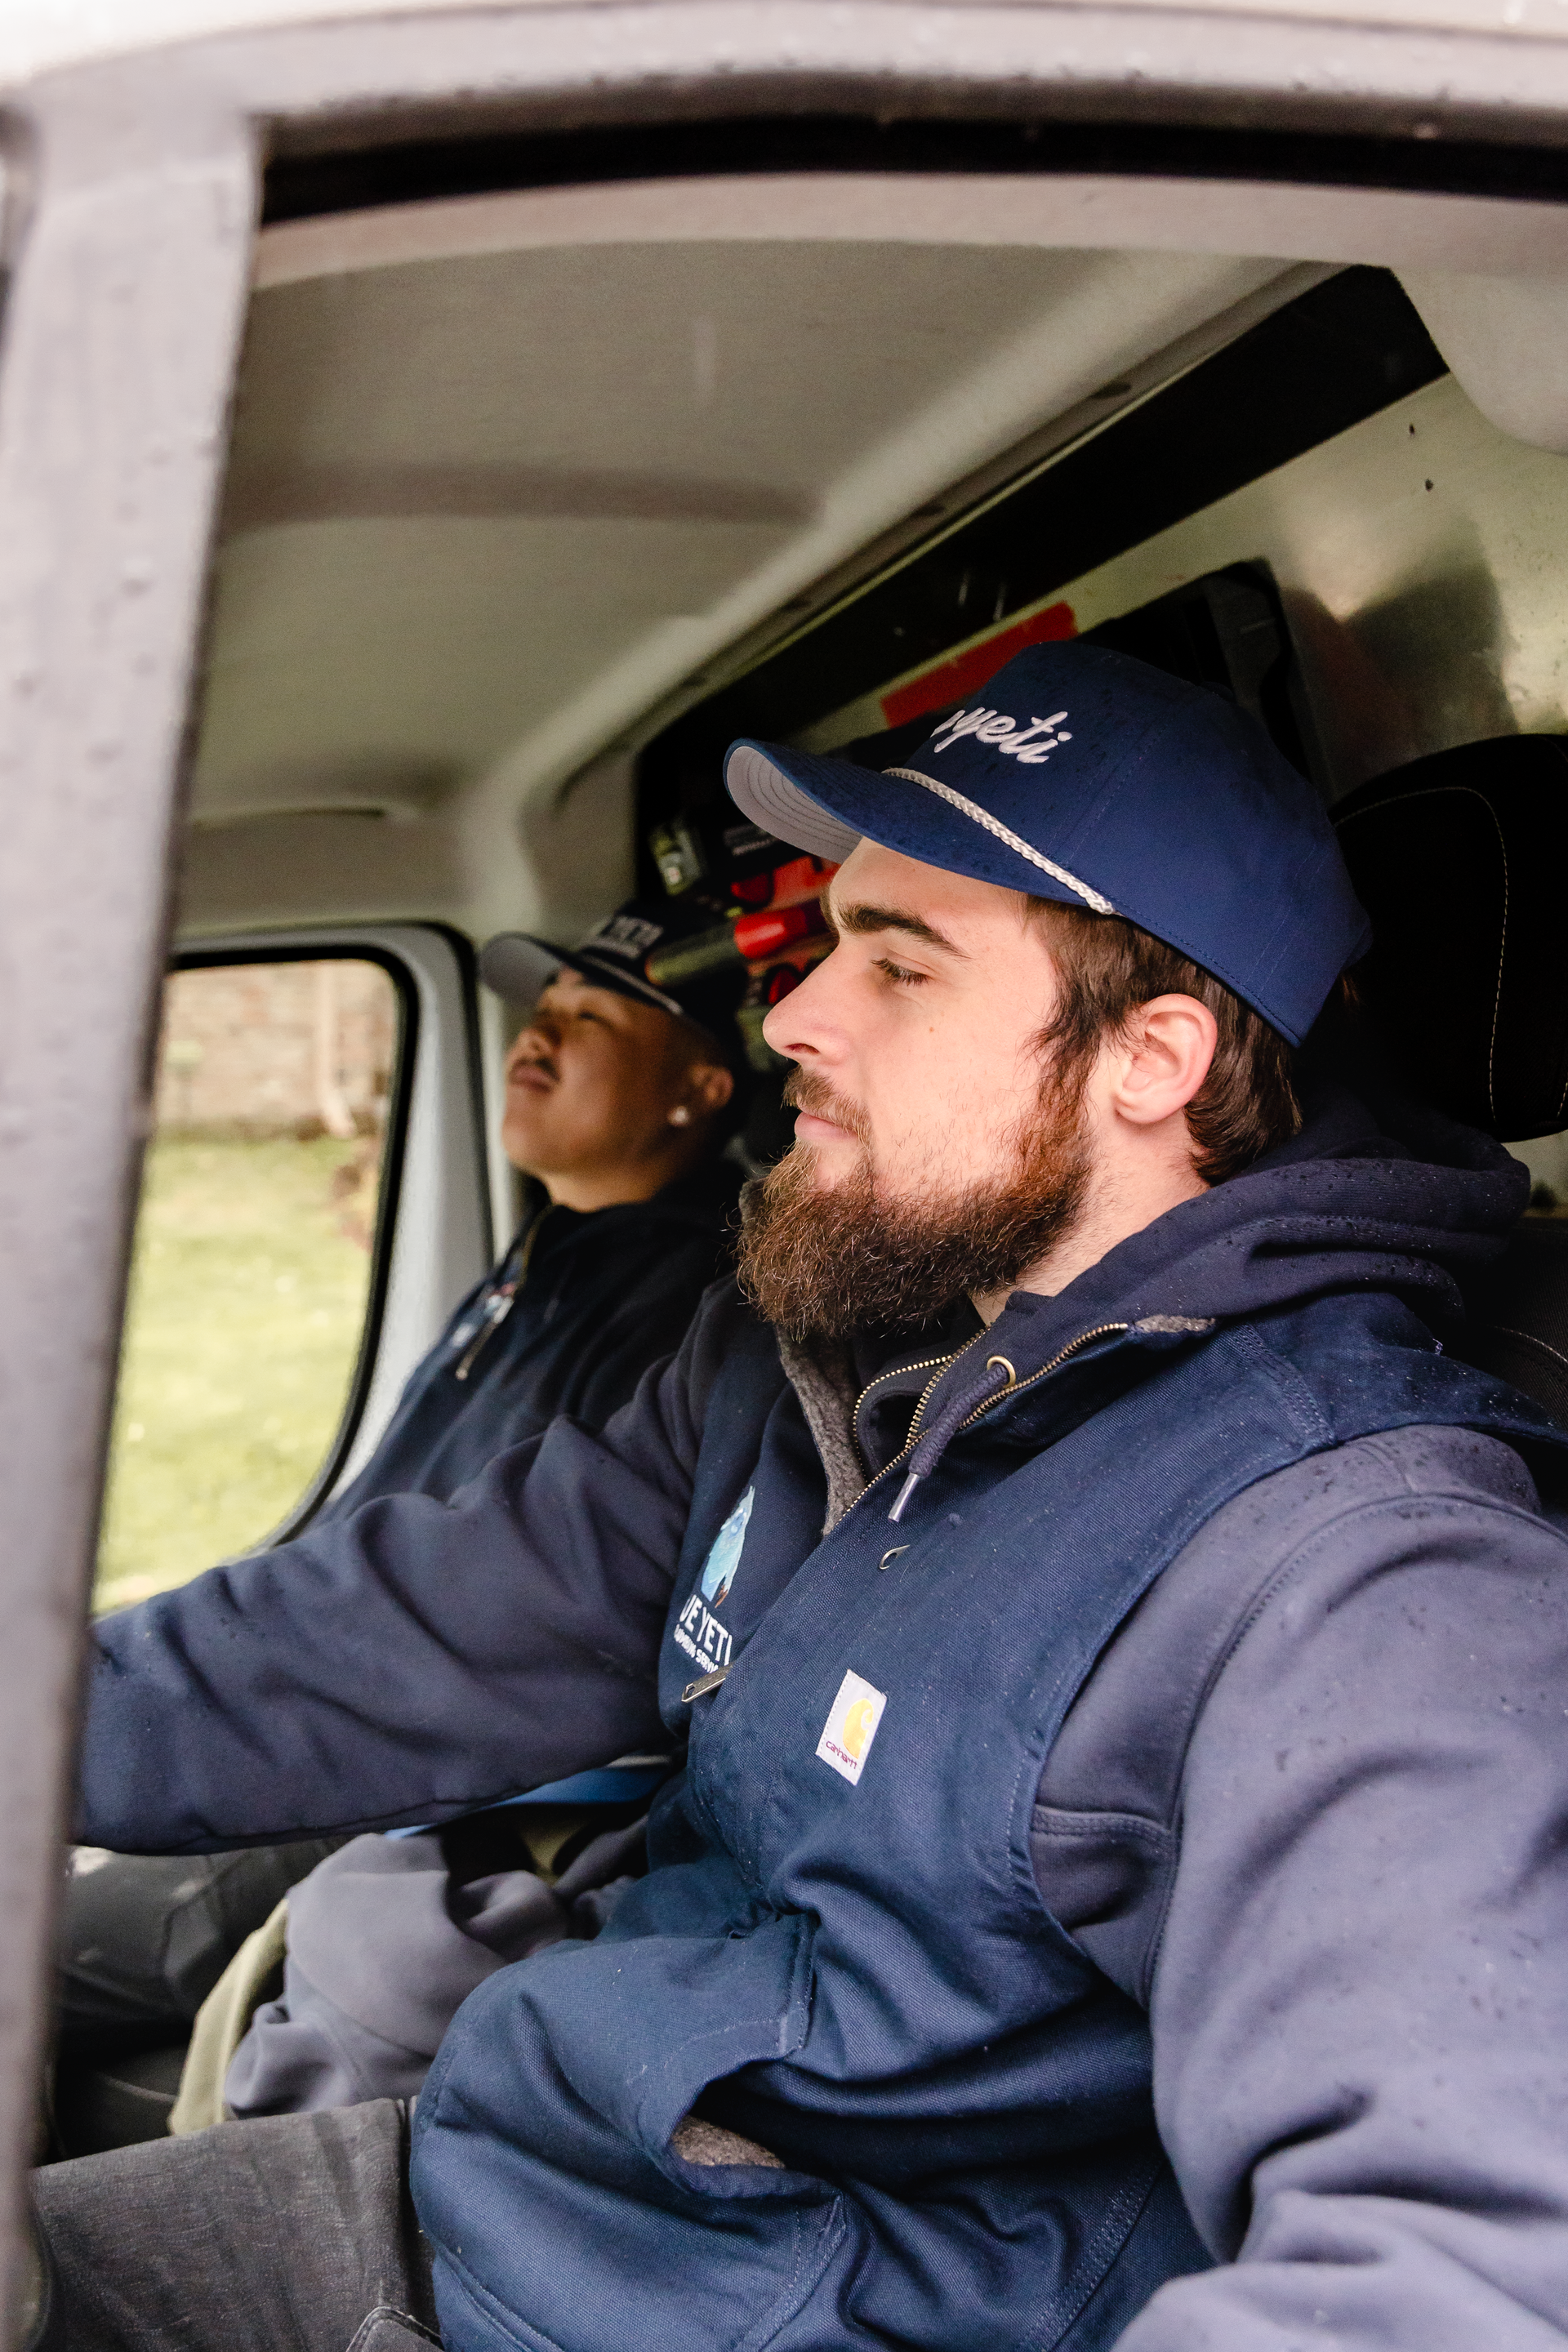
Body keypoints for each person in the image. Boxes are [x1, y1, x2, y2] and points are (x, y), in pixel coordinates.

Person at [37, 639, 1568, 2352]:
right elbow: (378, 1635)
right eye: (833, 940)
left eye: (899, 966)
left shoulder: (1360, 1557)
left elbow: (1465, 2265)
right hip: (505, 2183)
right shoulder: (815, 1362)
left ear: (1151, 1058)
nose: (792, 1018)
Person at [54, 895, 747, 2111]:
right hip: (324, 1706)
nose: (538, 1036)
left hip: (389, 1773)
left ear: (701, 1088)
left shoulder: (682, 1303)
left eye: (592, 1018)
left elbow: (515, 1627)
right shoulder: (548, 1255)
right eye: (543, 1008)